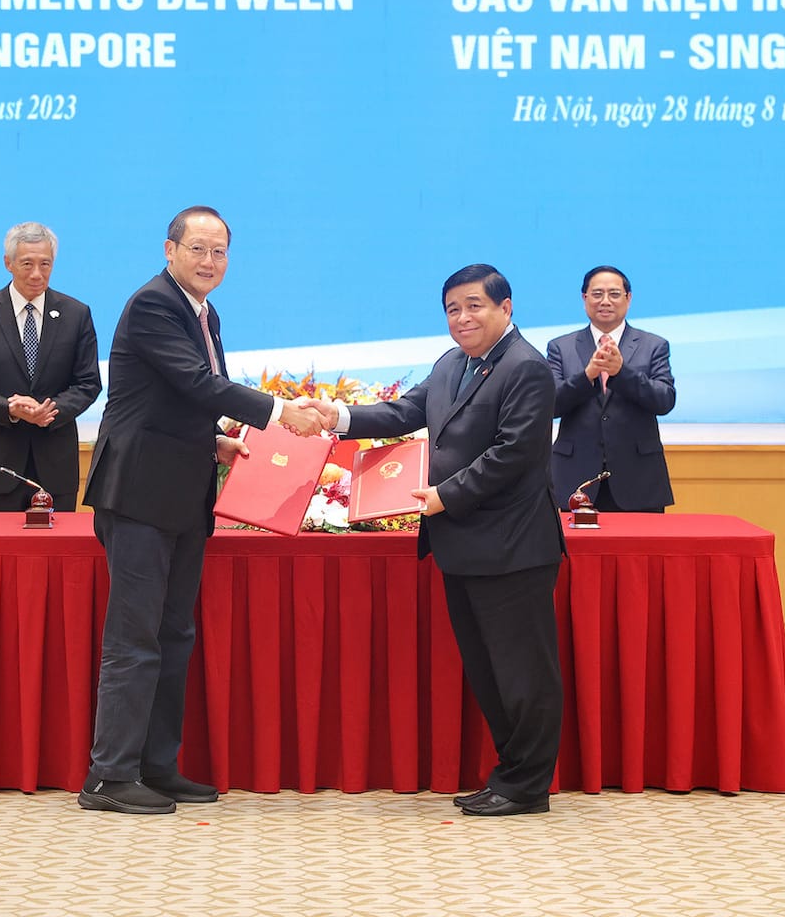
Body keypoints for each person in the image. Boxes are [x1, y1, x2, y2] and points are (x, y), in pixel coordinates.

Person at [78, 206, 326, 815]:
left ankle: (156, 766)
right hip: (138, 494)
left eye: (220, 251)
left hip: (184, 490)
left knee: (174, 635)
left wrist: (213, 440)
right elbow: (195, 382)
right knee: (135, 639)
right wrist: (278, 412)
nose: (209, 261)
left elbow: (170, 399)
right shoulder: (155, 304)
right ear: (169, 251)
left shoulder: (205, 311)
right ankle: (108, 777)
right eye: (198, 249)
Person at [303, 264, 564, 816]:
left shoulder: (527, 369)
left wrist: (445, 494)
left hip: (513, 547)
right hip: (463, 545)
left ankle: (528, 785)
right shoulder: (453, 363)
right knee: (489, 670)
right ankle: (510, 775)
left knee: (522, 671)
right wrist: (339, 415)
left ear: (506, 307)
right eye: (452, 309)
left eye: (474, 306)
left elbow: (513, 454)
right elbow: (406, 410)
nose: (462, 318)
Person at [0, 222, 103, 512]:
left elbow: (88, 383)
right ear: (8, 263)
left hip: (56, 464)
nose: (37, 273)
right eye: (27, 264)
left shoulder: (76, 314)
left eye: (45, 264)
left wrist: (48, 410)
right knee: (1, 554)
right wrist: (9, 408)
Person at [545, 266, 676, 514]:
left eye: (614, 294)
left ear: (628, 298)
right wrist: (587, 376)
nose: (605, 301)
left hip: (638, 478)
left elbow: (665, 400)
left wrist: (621, 373)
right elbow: (549, 405)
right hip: (575, 478)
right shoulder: (561, 347)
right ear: (584, 299)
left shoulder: (654, 345)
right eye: (597, 294)